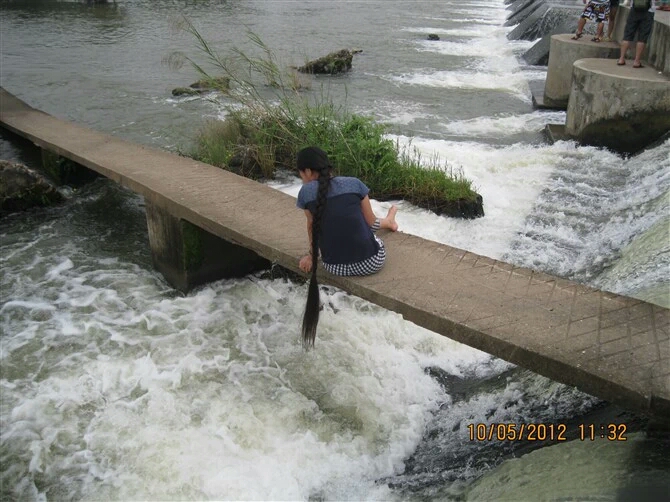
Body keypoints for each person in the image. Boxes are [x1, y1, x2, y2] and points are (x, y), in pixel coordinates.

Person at [295, 146, 398, 347]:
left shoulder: (306, 193)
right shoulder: (354, 184)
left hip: (335, 266)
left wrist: (311, 256)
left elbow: (312, 227)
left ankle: (390, 220)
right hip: (371, 263)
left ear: (308, 171)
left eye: (299, 172)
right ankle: (391, 220)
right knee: (374, 230)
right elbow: (370, 224)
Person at [617, 0, 656, 68]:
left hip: (634, 9)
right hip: (649, 11)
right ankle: (636, 61)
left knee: (627, 35)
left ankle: (621, 59)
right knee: (642, 38)